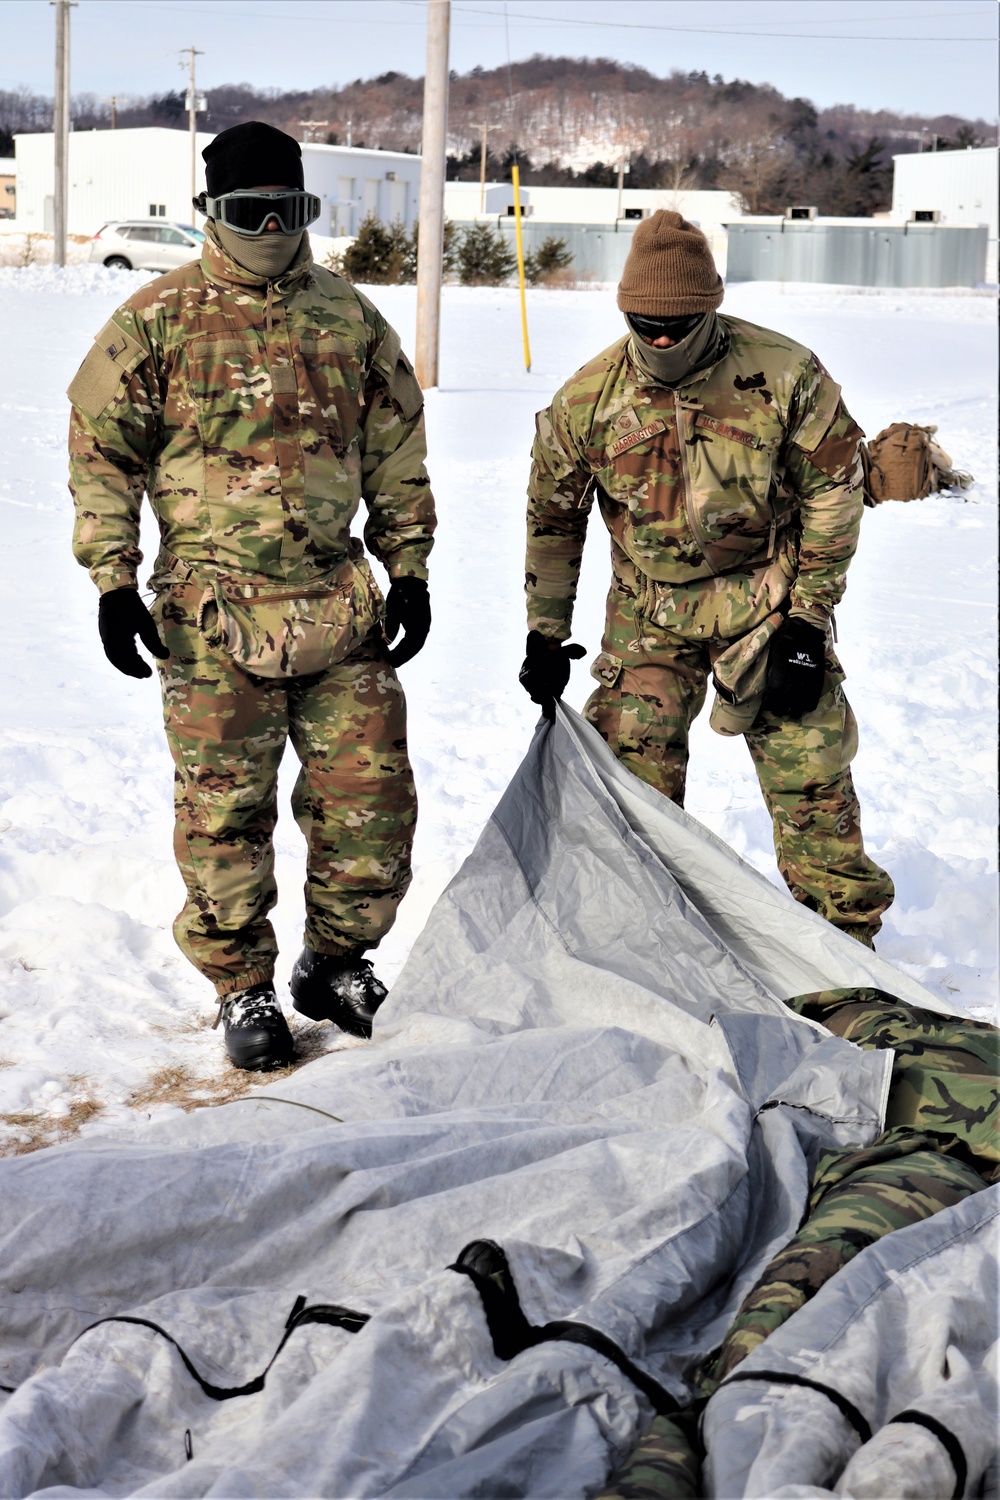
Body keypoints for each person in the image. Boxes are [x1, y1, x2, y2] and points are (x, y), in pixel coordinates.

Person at [68, 122, 436, 1070]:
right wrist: (112, 578)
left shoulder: (350, 320)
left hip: (336, 608)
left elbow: (396, 451)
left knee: (371, 801)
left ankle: (335, 961)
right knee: (223, 812)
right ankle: (241, 988)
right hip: (210, 617)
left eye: (288, 209)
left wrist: (411, 569)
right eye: (248, 212)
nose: (270, 226)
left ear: (307, 210)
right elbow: (102, 451)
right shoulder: (155, 320)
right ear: (210, 215)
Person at [519, 210, 892, 947]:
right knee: (628, 775)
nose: (660, 339)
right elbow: (553, 519)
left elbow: (834, 492)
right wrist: (544, 632)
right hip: (650, 613)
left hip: (767, 603)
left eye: (678, 325)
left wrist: (808, 625)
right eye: (643, 323)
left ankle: (845, 944)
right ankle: (637, 937)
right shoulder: (587, 400)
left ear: (710, 309)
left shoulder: (785, 373)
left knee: (810, 765)